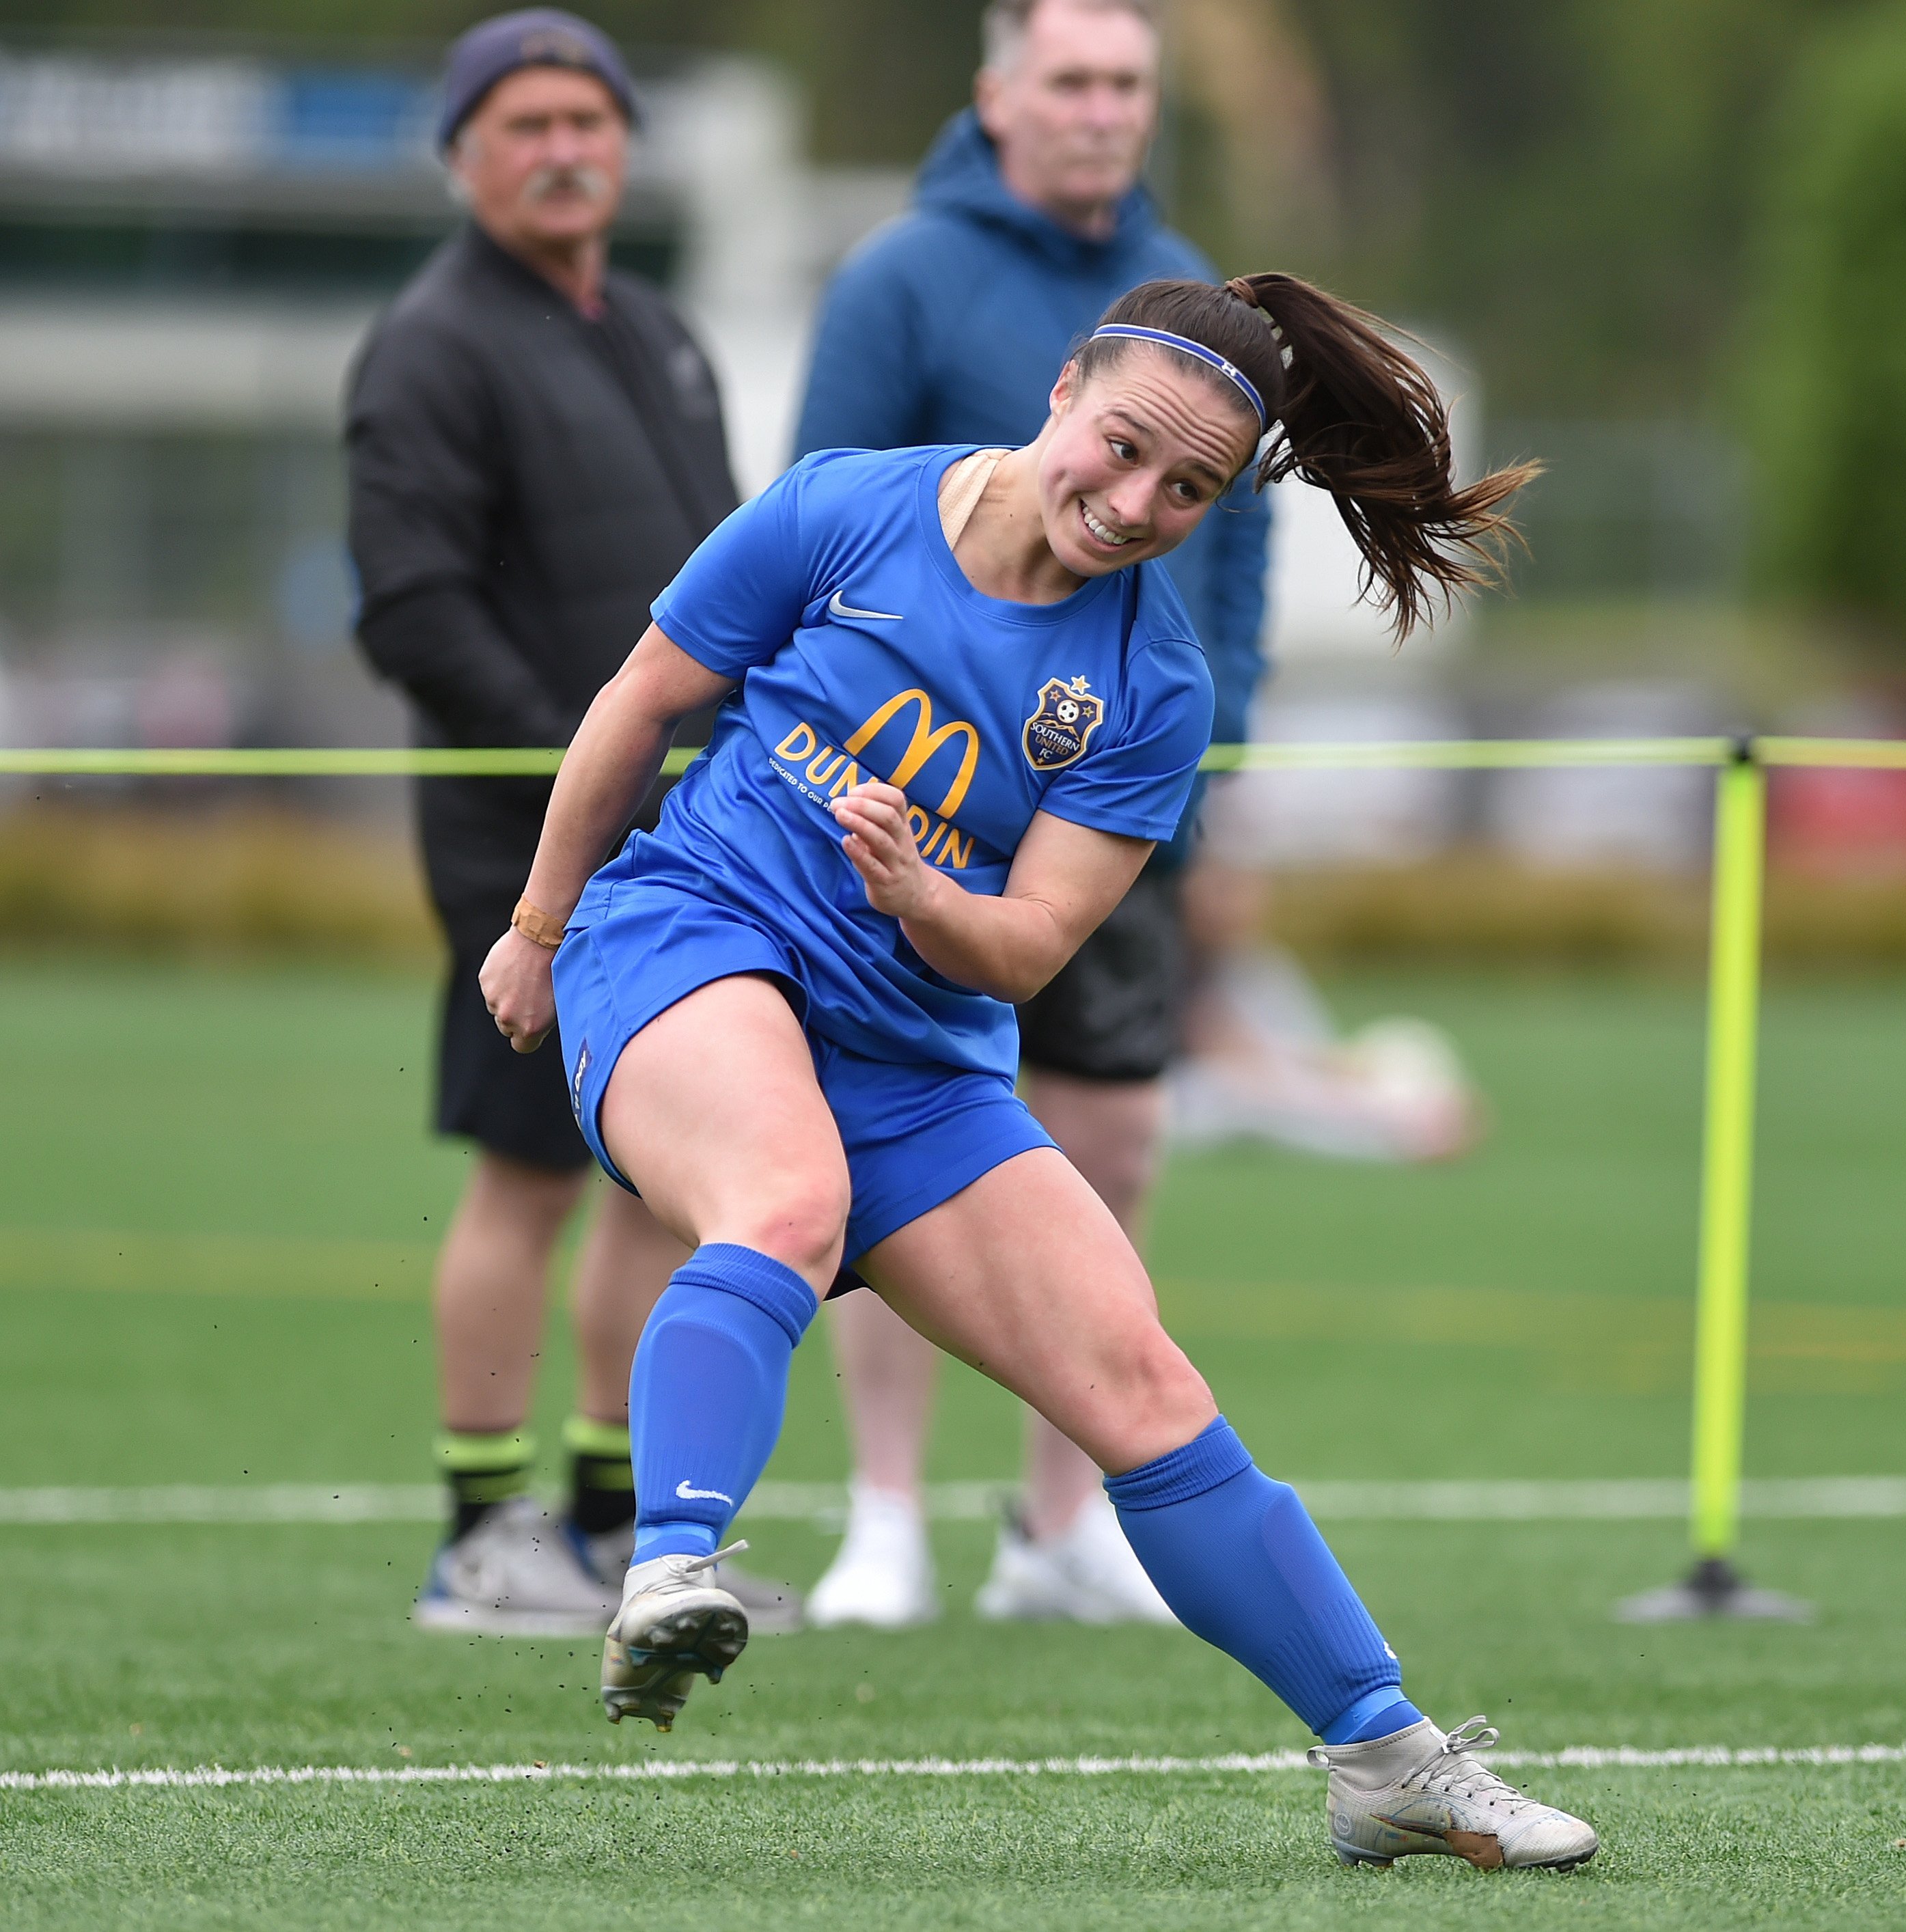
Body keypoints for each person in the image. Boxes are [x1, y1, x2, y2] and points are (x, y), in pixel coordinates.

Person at [477, 274, 1592, 1870]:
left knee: (1144, 1390)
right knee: (782, 1197)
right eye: (1123, 446)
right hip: (686, 936)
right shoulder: (845, 511)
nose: (1135, 503)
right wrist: (536, 923)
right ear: (1065, 389)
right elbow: (640, 699)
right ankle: (667, 1573)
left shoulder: (1151, 686)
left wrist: (928, 896)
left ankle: (1383, 1754)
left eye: (1188, 489)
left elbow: (1024, 952)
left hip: (914, 1044)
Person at [790, 0, 1269, 1630]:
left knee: (1112, 1140)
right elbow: (827, 504)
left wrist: (1219, 767)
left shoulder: (1190, 285)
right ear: (994, 95)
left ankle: (1060, 1527)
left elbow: (1240, 569)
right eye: (1067, 79)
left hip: (1115, 793)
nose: (1098, 111)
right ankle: (881, 1521)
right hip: (918, 796)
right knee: (899, 1147)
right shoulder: (902, 274)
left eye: (1127, 83)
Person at [346, 9, 795, 1631]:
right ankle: (481, 1532)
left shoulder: (654, 329)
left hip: (686, 839)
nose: (560, 149)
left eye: (586, 122)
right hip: (518, 845)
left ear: (621, 146)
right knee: (527, 1175)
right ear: (466, 155)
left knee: (636, 1177)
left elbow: (727, 579)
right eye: (522, 123)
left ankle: (610, 1521)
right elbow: (411, 610)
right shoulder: (431, 343)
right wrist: (578, 770)